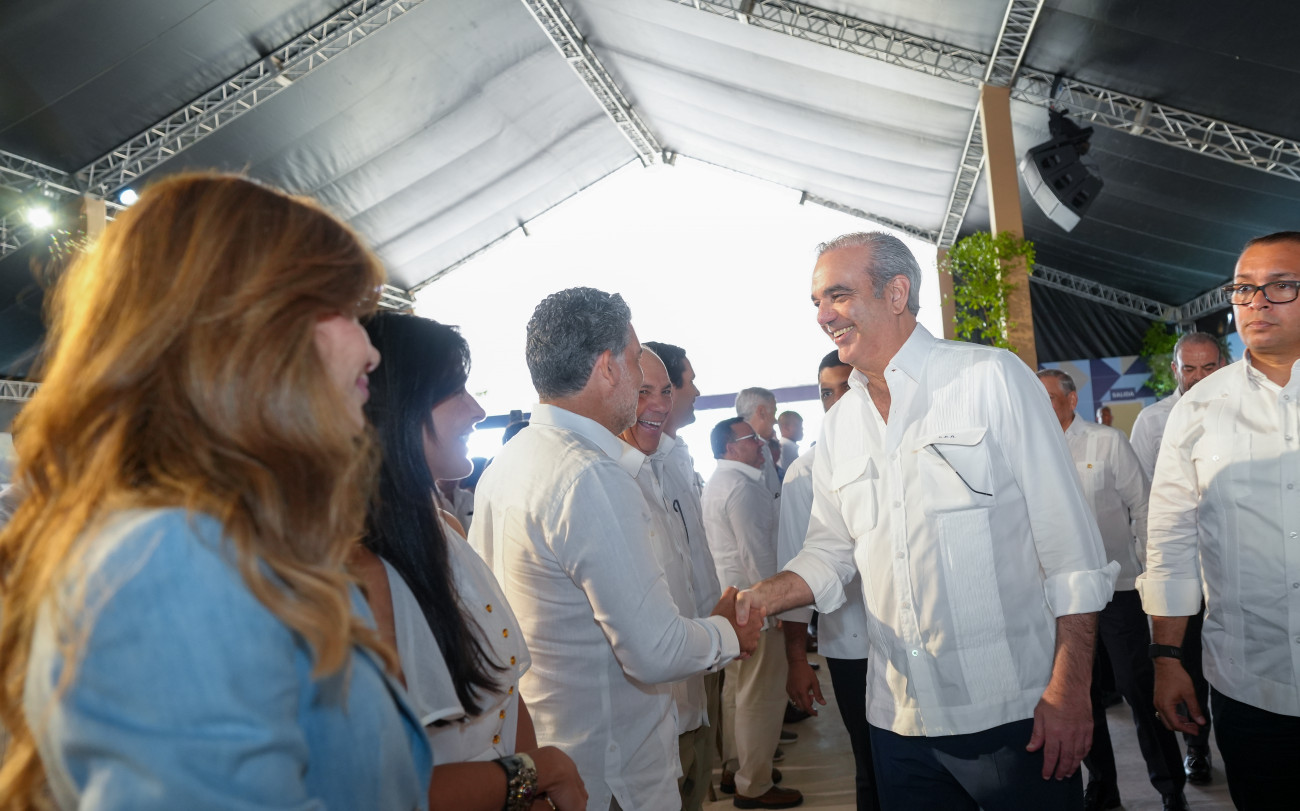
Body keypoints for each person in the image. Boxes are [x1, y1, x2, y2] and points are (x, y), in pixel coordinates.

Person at [0, 173, 432, 809]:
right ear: (250, 334)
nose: (370, 351)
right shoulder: (171, 561)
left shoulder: (234, 542)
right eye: (342, 311)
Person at [735, 231, 1117, 810]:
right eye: (816, 302)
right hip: (898, 723)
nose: (823, 316)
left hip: (1015, 715)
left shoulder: (991, 378)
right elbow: (829, 554)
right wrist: (758, 599)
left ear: (896, 293)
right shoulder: (841, 425)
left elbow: (1072, 552)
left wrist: (1071, 687)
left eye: (838, 295)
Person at [470, 287, 759, 811]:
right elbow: (654, 651)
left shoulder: (511, 461)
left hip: (553, 751)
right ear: (607, 367)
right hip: (611, 775)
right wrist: (727, 632)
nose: (640, 376)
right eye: (634, 358)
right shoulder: (590, 475)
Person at [351, 312, 586, 811]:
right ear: (398, 406)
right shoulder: (360, 571)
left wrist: (531, 787)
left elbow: (505, 695)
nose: (477, 410)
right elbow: (388, 789)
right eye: (455, 390)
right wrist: (539, 771)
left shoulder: (446, 529)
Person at [1139, 232, 1300, 810]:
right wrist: (1166, 659)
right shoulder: (1198, 410)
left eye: (1281, 286)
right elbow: (1171, 541)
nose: (1257, 302)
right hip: (1248, 682)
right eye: (1244, 289)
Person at [1037, 370, 1187, 811]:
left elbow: (1144, 508)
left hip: (1118, 592)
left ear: (1071, 399)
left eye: (1048, 398)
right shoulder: (1027, 450)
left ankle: (1171, 789)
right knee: (1081, 695)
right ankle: (1103, 790)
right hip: (1061, 600)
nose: (1040, 407)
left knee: (1140, 691)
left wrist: (1149, 574)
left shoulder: (1107, 442)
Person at [779, 351, 879, 811]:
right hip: (851, 646)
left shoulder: (899, 452)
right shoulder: (804, 472)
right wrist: (796, 659)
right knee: (870, 764)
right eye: (826, 392)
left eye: (846, 388)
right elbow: (796, 570)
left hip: (921, 641)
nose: (836, 401)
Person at [617, 348, 712, 811]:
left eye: (666, 391)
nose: (659, 404)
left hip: (693, 683)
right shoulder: (607, 480)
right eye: (643, 392)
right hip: (649, 721)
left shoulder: (667, 460)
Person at [1128, 331, 1225, 784]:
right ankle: (1196, 748)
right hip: (1183, 567)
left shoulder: (1243, 412)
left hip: (1233, 566)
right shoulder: (1152, 421)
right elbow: (1147, 503)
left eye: (1209, 367)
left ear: (1223, 365)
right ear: (1175, 370)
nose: (1199, 377)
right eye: (1190, 368)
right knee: (1184, 661)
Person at [642, 340, 725, 810]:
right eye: (687, 382)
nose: (694, 392)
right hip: (672, 663)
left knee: (697, 774)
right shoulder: (632, 469)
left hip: (703, 643)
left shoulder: (676, 456)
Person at [705, 417, 803, 810]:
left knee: (737, 691)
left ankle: (737, 768)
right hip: (754, 607)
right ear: (730, 447)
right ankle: (754, 783)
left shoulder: (722, 481)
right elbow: (756, 553)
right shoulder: (741, 487)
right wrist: (774, 602)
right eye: (752, 439)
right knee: (760, 695)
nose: (761, 444)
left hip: (733, 605)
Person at [735, 387, 782, 497]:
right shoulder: (749, 450)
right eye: (774, 412)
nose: (775, 421)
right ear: (762, 412)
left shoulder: (761, 445)